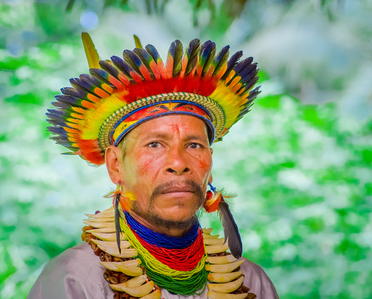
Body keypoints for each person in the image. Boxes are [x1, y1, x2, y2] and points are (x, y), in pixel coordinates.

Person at [28, 33, 279, 299]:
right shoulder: (74, 281)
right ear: (115, 166)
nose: (178, 163)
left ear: (210, 162)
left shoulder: (251, 283)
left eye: (194, 145)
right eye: (155, 145)